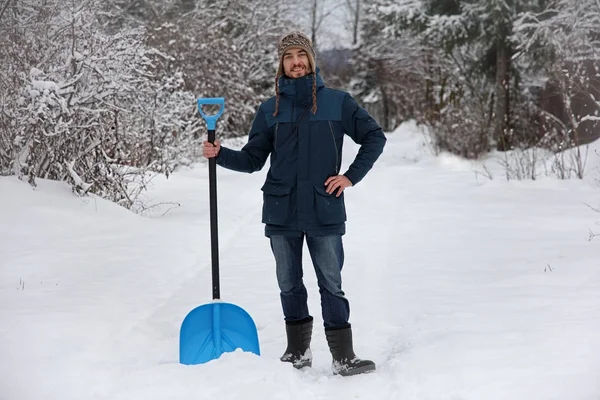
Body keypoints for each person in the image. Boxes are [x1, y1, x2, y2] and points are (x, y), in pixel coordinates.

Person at [202, 31, 386, 376]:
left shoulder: (337, 102)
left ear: (311, 60)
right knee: (288, 281)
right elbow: (253, 158)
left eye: (301, 55)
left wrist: (349, 176)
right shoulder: (269, 109)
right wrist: (220, 154)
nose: (296, 62)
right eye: (289, 57)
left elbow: (375, 137)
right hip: (281, 208)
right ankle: (297, 352)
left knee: (330, 282)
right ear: (281, 64)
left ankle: (343, 356)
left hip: (324, 207)